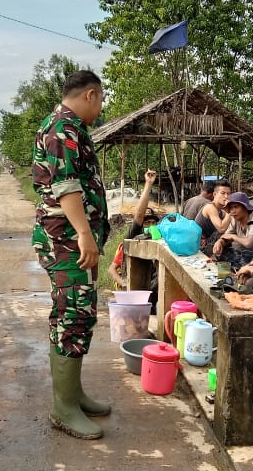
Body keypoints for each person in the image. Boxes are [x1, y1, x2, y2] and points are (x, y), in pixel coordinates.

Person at [33, 70, 112, 440]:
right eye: (102, 100)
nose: (101, 107)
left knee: (79, 314)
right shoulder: (62, 128)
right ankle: (62, 407)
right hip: (66, 240)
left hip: (70, 240)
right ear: (91, 95)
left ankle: (73, 394)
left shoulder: (68, 126)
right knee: (70, 315)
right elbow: (66, 184)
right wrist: (84, 233)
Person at [108, 169, 162, 307]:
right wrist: (148, 185)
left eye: (152, 222)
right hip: (133, 288)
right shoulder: (133, 237)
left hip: (149, 286)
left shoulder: (157, 239)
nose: (149, 225)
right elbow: (112, 269)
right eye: (146, 222)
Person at [212, 191, 253, 271]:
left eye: (236, 207)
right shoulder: (235, 219)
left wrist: (233, 236)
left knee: (245, 253)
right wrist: (220, 241)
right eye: (231, 208)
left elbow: (248, 243)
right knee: (222, 249)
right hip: (243, 253)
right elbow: (226, 236)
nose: (233, 211)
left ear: (245, 207)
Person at [195, 179, 231, 255]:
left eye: (228, 193)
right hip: (199, 245)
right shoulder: (210, 207)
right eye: (223, 193)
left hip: (208, 242)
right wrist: (230, 210)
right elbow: (221, 228)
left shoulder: (221, 211)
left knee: (230, 233)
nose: (226, 196)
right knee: (223, 234)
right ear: (214, 194)